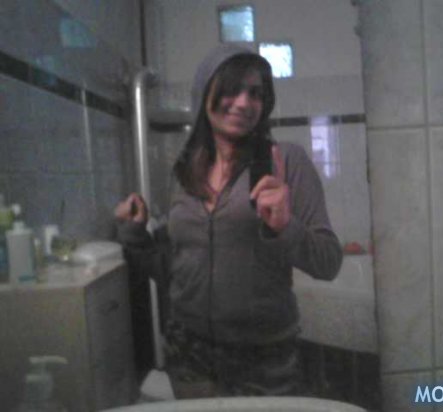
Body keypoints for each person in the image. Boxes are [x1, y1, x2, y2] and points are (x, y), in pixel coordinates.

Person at [115, 44, 342, 398]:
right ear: (205, 93)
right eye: (232, 89)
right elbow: (175, 272)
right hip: (188, 352)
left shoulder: (285, 162)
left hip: (264, 357)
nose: (244, 102)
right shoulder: (184, 171)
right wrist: (134, 235)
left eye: (256, 93)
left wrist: (286, 226)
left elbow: (329, 262)